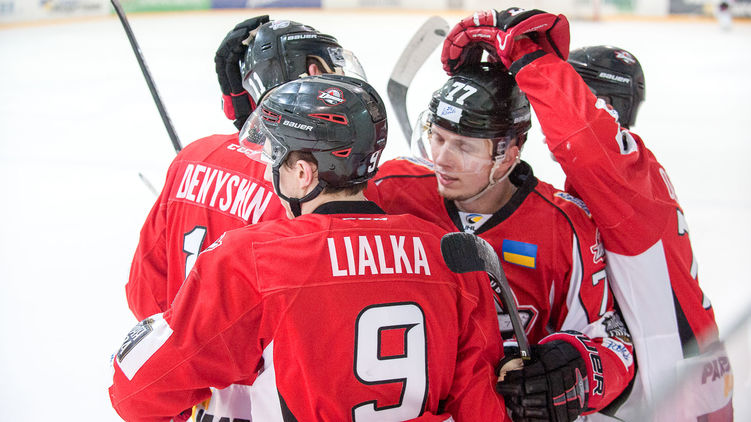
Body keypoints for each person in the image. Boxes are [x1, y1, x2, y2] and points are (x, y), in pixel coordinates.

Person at [110, 74, 509, 422]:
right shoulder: (452, 255)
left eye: (275, 160)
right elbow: (481, 407)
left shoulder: (253, 258)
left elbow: (136, 394)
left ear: (303, 173)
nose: (271, 172)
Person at [441, 8, 732, 420]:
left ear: (602, 105)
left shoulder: (625, 180)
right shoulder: (618, 185)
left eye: (566, 93)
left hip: (676, 391)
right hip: (671, 381)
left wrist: (525, 55)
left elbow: (584, 140)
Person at [124, 17, 368, 421]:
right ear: (313, 73)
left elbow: (144, 296)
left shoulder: (193, 158)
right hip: (281, 403)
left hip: (197, 398)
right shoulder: (315, 185)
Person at [366, 60, 635, 420]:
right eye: (437, 137)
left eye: (463, 147)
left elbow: (613, 342)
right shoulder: (391, 188)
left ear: (508, 153)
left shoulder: (564, 225)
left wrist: (577, 371)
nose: (441, 159)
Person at [566, 45, 731, 420]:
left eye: (575, 94)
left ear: (607, 104)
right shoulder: (630, 166)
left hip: (679, 374)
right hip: (691, 358)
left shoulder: (615, 178)